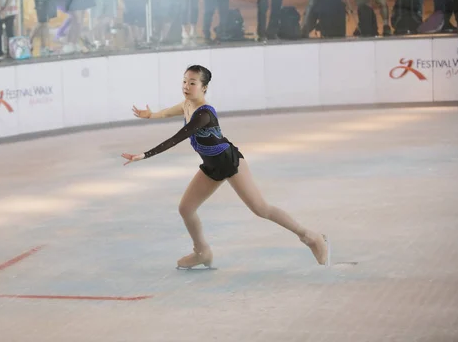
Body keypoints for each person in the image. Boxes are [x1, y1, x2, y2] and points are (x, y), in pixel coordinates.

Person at [121, 65, 330, 269]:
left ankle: (312, 237)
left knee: (261, 209)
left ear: (204, 87)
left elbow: (177, 138)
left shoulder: (204, 114)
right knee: (186, 208)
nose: (186, 86)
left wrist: (144, 155)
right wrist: (151, 115)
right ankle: (202, 252)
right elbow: (168, 112)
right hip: (211, 165)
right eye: (184, 81)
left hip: (229, 162)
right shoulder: (186, 104)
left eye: (192, 83)